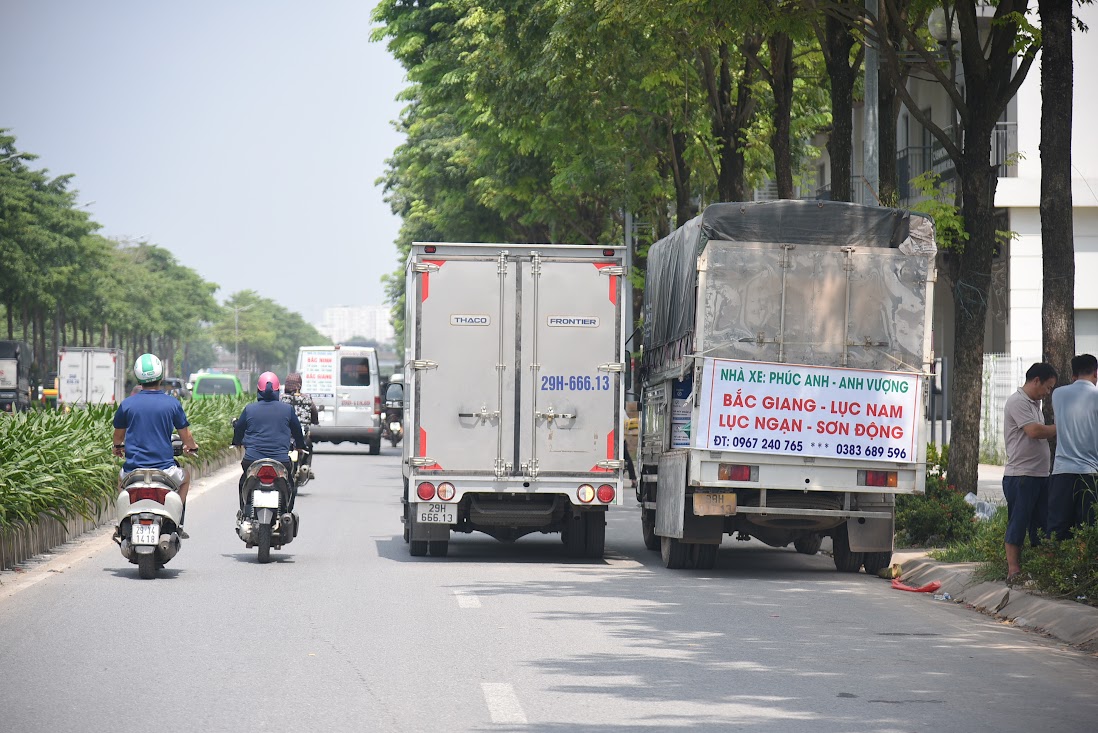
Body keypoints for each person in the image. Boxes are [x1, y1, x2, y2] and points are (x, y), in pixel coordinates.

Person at [112, 353, 199, 537]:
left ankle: (121, 523)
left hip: (133, 471)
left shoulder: (127, 405)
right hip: (165, 471)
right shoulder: (172, 404)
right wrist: (191, 447)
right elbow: (186, 437)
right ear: (160, 376)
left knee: (121, 480)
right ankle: (177, 521)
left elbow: (118, 437)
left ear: (138, 377)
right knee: (186, 477)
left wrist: (118, 448)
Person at [1001, 362, 1057, 582]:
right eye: (1048, 387)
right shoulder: (1018, 402)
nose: (1048, 392)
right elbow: (1034, 431)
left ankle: (1040, 571)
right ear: (1036, 381)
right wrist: (1064, 426)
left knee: (1041, 524)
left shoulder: (1035, 404)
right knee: (1019, 522)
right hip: (1021, 476)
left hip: (1039, 475)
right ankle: (1013, 571)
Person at [232, 371, 306, 511]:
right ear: (278, 390)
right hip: (280, 460)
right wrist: (300, 446)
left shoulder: (249, 409)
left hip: (252, 460)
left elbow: (239, 430)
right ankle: (286, 513)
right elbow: (297, 432)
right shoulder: (287, 410)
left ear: (258, 390)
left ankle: (245, 512)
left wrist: (237, 442)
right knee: (290, 484)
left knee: (244, 481)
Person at [1049, 354, 1098, 539]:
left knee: (1057, 527)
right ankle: (1082, 567)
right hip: (1090, 472)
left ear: (1073, 374)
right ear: (1096, 373)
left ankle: (1056, 566)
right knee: (1088, 528)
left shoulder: (1058, 394)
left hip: (1062, 471)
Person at [281, 372, 318, 478]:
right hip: (302, 434)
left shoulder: (281, 399)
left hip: (285, 434)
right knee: (309, 445)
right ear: (299, 385)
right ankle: (306, 466)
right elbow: (314, 413)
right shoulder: (307, 398)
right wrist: (315, 421)